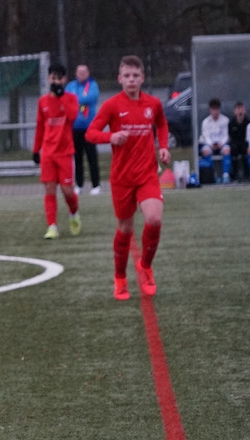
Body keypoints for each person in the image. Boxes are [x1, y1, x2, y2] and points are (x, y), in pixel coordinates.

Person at [86, 55, 170, 301]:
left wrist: (163, 146)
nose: (131, 79)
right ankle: (120, 278)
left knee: (154, 219)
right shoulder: (112, 105)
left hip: (147, 174)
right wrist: (110, 137)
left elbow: (162, 124)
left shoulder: (153, 103)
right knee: (125, 228)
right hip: (122, 178)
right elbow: (91, 133)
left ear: (142, 78)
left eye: (135, 75)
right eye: (127, 76)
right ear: (119, 79)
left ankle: (146, 267)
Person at [32, 63, 82, 240]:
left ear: (64, 80)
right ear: (48, 79)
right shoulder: (43, 101)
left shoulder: (71, 98)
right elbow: (40, 126)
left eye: (59, 78)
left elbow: (73, 116)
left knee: (67, 191)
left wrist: (61, 97)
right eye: (53, 78)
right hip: (48, 153)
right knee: (50, 189)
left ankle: (74, 213)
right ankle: (52, 226)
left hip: (65, 152)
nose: (56, 81)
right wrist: (36, 149)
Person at [66, 64, 101, 194]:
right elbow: (66, 100)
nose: (82, 74)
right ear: (76, 73)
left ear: (88, 73)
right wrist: (78, 101)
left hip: (89, 127)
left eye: (84, 72)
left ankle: (96, 185)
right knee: (77, 158)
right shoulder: (71, 86)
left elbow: (90, 97)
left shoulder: (93, 85)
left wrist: (76, 100)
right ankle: (79, 185)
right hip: (74, 128)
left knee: (92, 157)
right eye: (79, 72)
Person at [199, 98, 231, 184]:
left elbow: (226, 135)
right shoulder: (205, 122)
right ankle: (214, 175)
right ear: (210, 110)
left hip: (222, 144)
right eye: (214, 109)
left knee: (227, 150)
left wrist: (221, 143)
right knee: (205, 151)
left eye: (217, 109)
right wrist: (211, 144)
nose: (216, 111)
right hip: (210, 145)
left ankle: (226, 175)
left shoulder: (225, 120)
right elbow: (206, 136)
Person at [228, 101, 249, 182]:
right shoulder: (231, 122)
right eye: (238, 109)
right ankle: (234, 175)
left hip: (244, 143)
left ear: (244, 111)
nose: (240, 111)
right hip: (235, 144)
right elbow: (231, 136)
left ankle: (247, 175)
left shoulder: (248, 122)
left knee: (245, 151)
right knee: (234, 150)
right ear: (235, 111)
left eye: (242, 109)